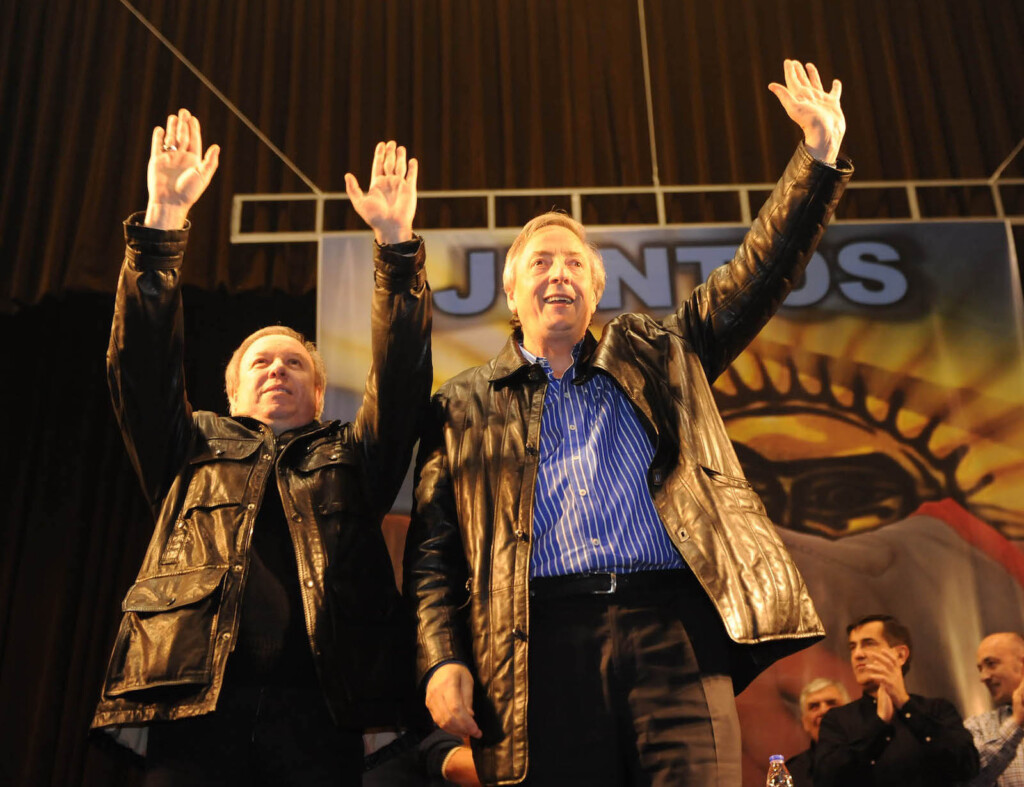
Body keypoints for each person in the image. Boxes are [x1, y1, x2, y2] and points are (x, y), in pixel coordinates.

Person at [406, 60, 851, 785]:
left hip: (674, 633)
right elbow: (433, 555)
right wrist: (443, 656)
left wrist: (818, 158)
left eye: (575, 263)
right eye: (542, 262)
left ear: (596, 288)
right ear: (511, 292)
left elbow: (757, 276)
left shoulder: (662, 355)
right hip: (536, 642)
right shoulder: (462, 406)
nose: (559, 274)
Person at [91, 109, 431, 786]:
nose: (277, 369)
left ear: (320, 390)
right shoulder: (190, 446)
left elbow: (399, 382)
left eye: (294, 363)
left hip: (322, 717)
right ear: (231, 393)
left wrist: (396, 248)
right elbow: (141, 364)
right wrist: (161, 225)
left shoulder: (350, 454)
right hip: (190, 712)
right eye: (261, 363)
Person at [814, 614, 979, 786]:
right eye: (852, 647)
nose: (857, 655)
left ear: (900, 655)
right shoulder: (837, 720)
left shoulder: (937, 710)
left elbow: (967, 767)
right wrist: (879, 724)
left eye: (868, 643)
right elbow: (826, 780)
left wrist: (904, 704)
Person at [964, 632, 1024, 786]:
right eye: (980, 669)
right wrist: (1016, 722)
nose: (983, 677)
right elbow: (970, 778)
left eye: (991, 664)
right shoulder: (977, 727)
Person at [786, 678, 850, 786]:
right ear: (805, 722)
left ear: (849, 714)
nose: (823, 710)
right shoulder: (791, 772)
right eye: (814, 706)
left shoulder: (870, 758)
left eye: (831, 703)